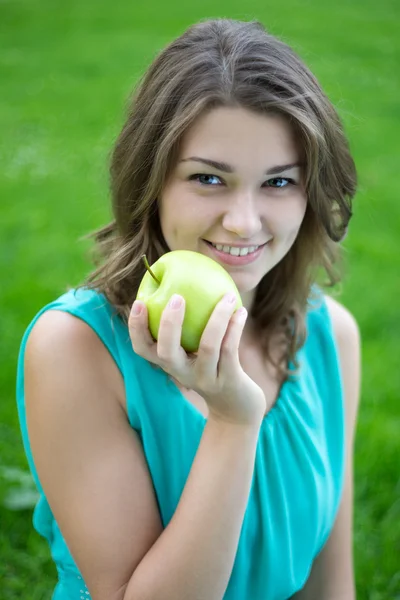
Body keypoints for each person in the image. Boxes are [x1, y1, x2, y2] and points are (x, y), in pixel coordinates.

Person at [16, 17, 362, 600]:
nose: (244, 222)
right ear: (151, 182)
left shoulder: (330, 337)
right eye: (208, 178)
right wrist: (232, 420)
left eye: (278, 183)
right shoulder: (76, 350)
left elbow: (330, 585)